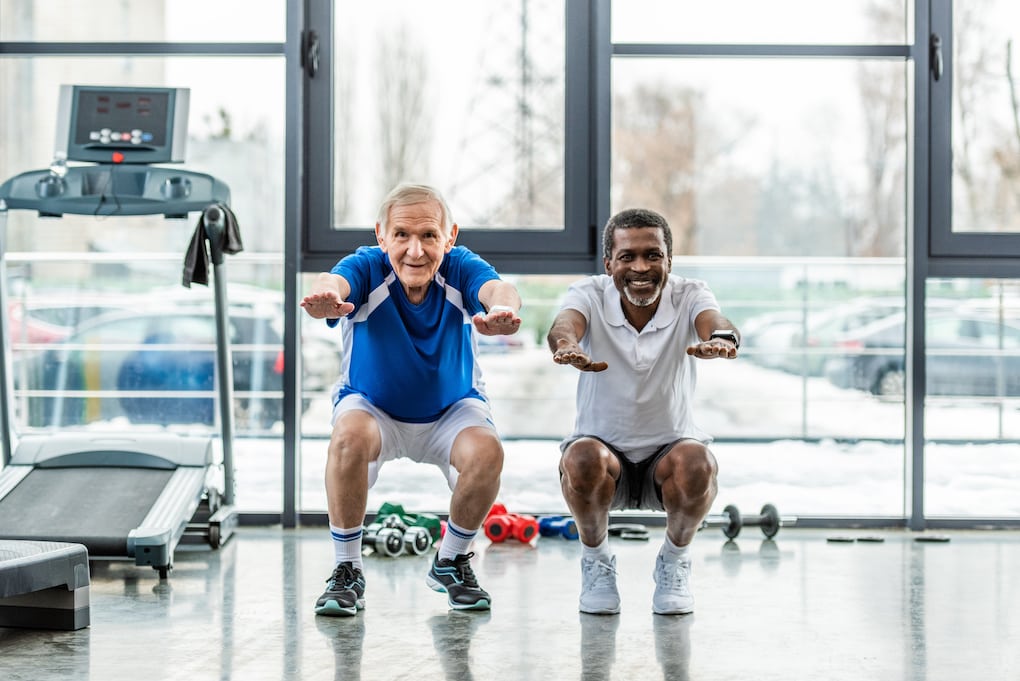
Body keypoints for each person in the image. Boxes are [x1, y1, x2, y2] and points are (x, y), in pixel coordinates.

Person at [302, 183, 522, 616]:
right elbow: (335, 281)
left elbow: (498, 289)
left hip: (451, 410)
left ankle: (452, 561)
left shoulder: (459, 268)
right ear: (382, 236)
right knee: (346, 438)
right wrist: (327, 297)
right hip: (373, 408)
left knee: (488, 452)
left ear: (450, 236)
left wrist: (502, 312)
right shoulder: (367, 266)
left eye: (428, 236)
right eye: (402, 235)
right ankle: (347, 571)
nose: (415, 250)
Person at [546, 207, 739, 616]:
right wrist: (567, 345)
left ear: (669, 260)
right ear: (609, 263)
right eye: (628, 256)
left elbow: (715, 321)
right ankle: (596, 563)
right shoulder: (589, 293)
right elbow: (565, 324)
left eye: (653, 255)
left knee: (698, 461)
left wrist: (720, 338)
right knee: (580, 456)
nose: (640, 267)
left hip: (668, 458)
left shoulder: (690, 293)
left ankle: (674, 561)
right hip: (603, 459)